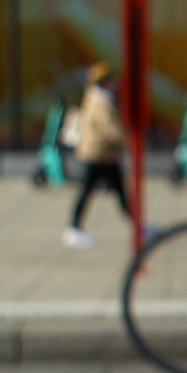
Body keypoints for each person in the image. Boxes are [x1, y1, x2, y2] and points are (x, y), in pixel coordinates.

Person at [64, 62, 131, 249]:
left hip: (105, 155)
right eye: (112, 79)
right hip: (97, 154)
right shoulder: (100, 100)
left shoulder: (102, 98)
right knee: (87, 191)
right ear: (105, 82)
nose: (116, 82)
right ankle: (73, 229)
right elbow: (108, 128)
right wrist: (126, 139)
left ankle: (138, 225)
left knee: (120, 193)